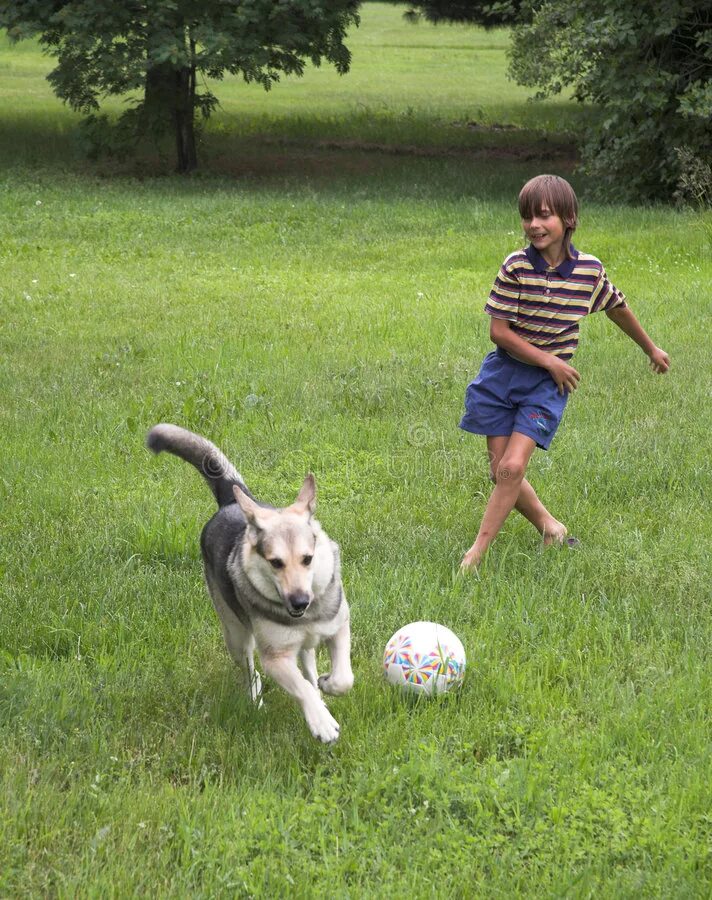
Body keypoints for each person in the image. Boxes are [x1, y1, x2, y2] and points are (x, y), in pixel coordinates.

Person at [459, 174, 670, 569]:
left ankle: (475, 555)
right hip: (503, 376)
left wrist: (651, 348)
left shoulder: (588, 270)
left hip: (547, 384)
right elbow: (498, 332)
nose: (534, 225)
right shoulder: (516, 266)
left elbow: (616, 307)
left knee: (511, 468)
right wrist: (549, 358)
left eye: (543, 216)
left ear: (569, 218)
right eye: (527, 217)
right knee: (498, 471)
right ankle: (550, 528)